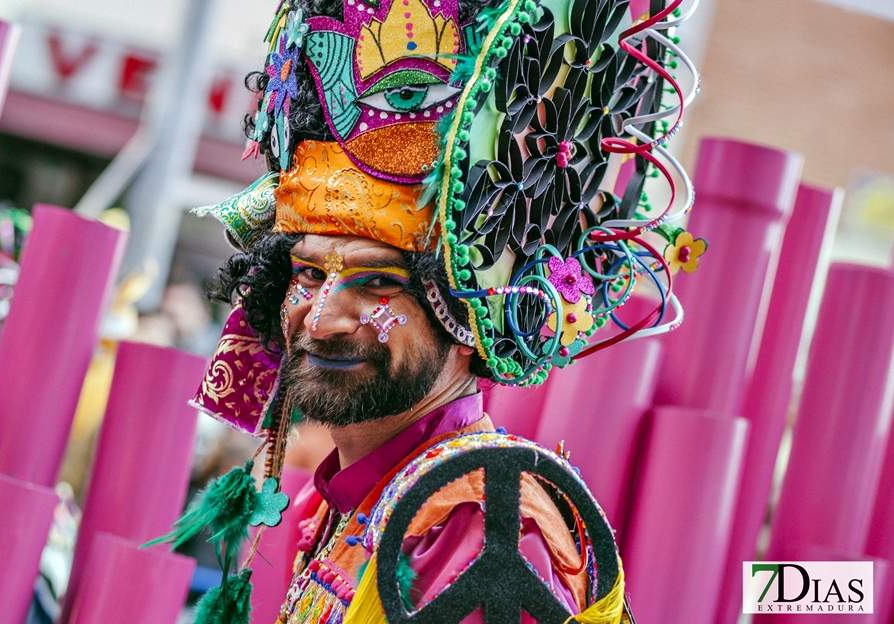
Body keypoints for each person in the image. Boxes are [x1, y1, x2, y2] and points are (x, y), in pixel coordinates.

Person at [165, 0, 703, 622]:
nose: (322, 318)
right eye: (309, 273)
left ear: (463, 315)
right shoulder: (343, 503)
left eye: (377, 284)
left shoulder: (481, 527)